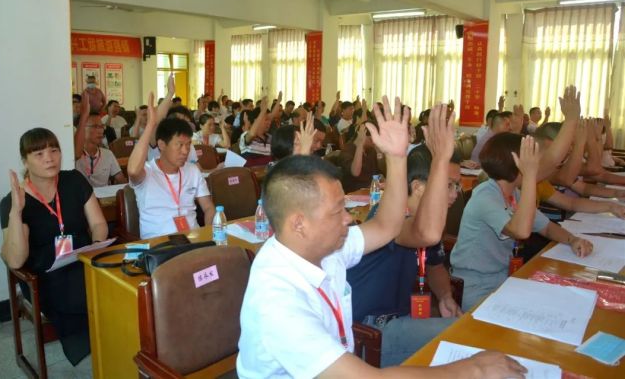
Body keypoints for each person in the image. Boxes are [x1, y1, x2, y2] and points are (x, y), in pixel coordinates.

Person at [237, 97, 527, 379]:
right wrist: (474, 370)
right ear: (299, 224)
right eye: (338, 211)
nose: (348, 218)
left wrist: (397, 156)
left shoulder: (325, 246)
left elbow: (387, 226)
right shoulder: (277, 300)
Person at [348, 104, 464, 367]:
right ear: (419, 187)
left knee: (463, 334)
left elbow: (434, 265)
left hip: (400, 319)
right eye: (449, 184)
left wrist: (445, 296)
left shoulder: (429, 216)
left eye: (456, 185)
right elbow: (426, 234)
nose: (456, 193)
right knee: (462, 340)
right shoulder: (391, 217)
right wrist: (440, 159)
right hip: (368, 332)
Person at [0, 128, 108, 365]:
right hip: (46, 274)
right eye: (38, 154)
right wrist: (16, 212)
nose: (49, 158)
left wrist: (97, 246)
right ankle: (104, 343)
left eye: (54, 150)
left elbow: (99, 223)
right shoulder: (14, 200)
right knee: (92, 296)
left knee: (114, 285)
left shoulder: (74, 181)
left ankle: (115, 340)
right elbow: (16, 261)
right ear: (25, 161)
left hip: (83, 260)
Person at [450, 132, 593, 311]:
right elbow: (521, 231)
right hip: (475, 285)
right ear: (516, 165)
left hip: (503, 277)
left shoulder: (514, 194)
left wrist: (573, 240)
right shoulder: (485, 196)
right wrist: (531, 176)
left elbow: (546, 227)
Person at [127, 93, 215, 239]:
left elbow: (208, 207)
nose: (185, 151)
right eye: (180, 145)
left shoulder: (192, 171)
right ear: (161, 145)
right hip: (160, 245)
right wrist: (150, 125)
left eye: (188, 145)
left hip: (193, 240)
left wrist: (208, 233)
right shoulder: (147, 173)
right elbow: (132, 170)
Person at [74, 108, 127, 187]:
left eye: (102, 126)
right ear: (81, 129)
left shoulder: (107, 154)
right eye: (95, 126)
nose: (100, 131)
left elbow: (121, 179)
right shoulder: (74, 156)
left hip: (104, 198)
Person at [339, 122, 383, 193]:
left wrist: (379, 151)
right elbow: (355, 172)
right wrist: (360, 144)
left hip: (371, 190)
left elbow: (379, 172)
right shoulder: (347, 150)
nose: (374, 142)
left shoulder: (371, 150)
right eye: (372, 139)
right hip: (354, 194)